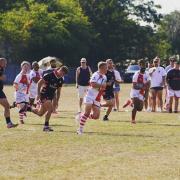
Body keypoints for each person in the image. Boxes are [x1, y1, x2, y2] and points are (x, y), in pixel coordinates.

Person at [20, 66, 68, 131]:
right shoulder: (49, 75)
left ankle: (27, 108)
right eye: (62, 73)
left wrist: (57, 101)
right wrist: (38, 94)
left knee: (40, 113)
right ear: (60, 70)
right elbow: (39, 83)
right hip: (44, 95)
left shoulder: (61, 80)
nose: (63, 75)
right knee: (50, 109)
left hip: (50, 97)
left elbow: (58, 91)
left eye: (64, 74)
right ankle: (46, 126)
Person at [77, 62, 107, 135]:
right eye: (106, 67)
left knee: (96, 116)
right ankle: (80, 130)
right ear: (101, 68)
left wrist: (102, 91)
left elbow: (103, 86)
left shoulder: (104, 77)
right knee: (87, 113)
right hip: (90, 96)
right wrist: (101, 85)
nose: (107, 69)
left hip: (97, 98)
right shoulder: (95, 75)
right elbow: (93, 84)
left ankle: (81, 116)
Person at [0, 58, 18, 128]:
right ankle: (9, 123)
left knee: (7, 106)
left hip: (0, 91)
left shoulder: (2, 69)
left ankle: (9, 123)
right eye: (4, 62)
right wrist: (1, 77)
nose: (6, 64)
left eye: (6, 63)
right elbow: (2, 77)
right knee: (7, 106)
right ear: (0, 62)